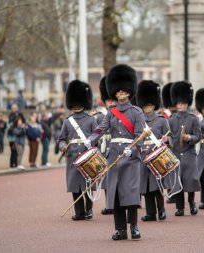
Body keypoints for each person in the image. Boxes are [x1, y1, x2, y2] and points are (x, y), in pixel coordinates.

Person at [86, 64, 145, 240]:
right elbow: (102, 128)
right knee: (117, 195)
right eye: (117, 90)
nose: (120, 92)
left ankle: (133, 226)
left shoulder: (137, 112)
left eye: (123, 89)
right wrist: (91, 139)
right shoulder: (111, 113)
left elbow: (140, 136)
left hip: (130, 158)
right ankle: (120, 229)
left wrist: (132, 149)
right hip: (114, 157)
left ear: (129, 91)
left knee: (131, 194)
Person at [58, 80, 97, 221]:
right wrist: (62, 146)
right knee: (75, 186)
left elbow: (97, 136)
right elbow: (61, 138)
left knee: (88, 184)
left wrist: (91, 143)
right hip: (73, 156)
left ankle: (89, 210)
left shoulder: (91, 120)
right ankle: (79, 211)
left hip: (87, 156)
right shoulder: (68, 121)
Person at [137, 80, 170, 221]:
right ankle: (150, 213)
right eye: (145, 106)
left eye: (150, 105)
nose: (148, 108)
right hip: (143, 157)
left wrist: (166, 140)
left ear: (154, 105)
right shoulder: (138, 121)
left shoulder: (161, 120)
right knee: (145, 188)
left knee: (157, 187)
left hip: (157, 157)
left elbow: (171, 137)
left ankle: (161, 210)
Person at [168, 81, 201, 216]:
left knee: (190, 180)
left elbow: (198, 136)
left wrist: (190, 138)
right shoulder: (171, 119)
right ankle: (180, 207)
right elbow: (169, 136)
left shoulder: (193, 119)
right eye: (179, 103)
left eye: (183, 103)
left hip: (189, 153)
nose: (181, 105)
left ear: (187, 104)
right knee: (178, 181)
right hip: (176, 153)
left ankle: (192, 203)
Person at [97, 76, 116, 215]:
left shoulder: (119, 114)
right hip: (103, 147)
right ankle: (109, 204)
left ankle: (117, 203)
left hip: (115, 147)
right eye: (108, 100)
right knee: (105, 178)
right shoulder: (99, 116)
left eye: (111, 100)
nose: (110, 102)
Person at [162, 82, 177, 204]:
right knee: (169, 170)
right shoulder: (166, 117)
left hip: (181, 147)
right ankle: (171, 191)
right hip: (170, 147)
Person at [8, 104, 25, 168]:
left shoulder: (20, 114)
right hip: (13, 140)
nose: (14, 109)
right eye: (13, 108)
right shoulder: (11, 117)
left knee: (17, 152)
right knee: (13, 152)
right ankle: (12, 164)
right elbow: (10, 131)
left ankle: (16, 163)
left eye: (15, 108)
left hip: (18, 140)